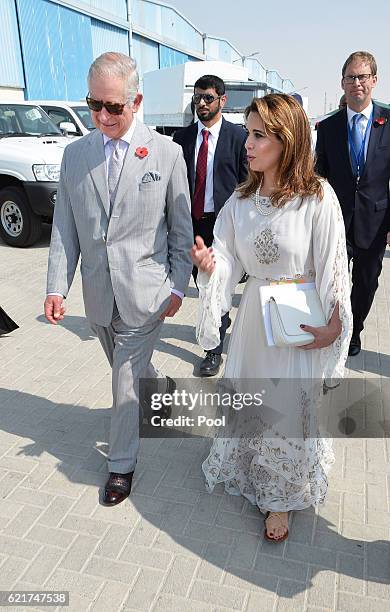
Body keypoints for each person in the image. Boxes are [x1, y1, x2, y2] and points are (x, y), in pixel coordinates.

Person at [191, 94, 352, 542]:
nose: (249, 143)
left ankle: (279, 497)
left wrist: (335, 324)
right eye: (249, 132)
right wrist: (212, 266)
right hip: (253, 325)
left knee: (287, 409)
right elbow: (226, 256)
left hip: (296, 320)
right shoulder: (241, 201)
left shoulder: (316, 198)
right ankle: (253, 469)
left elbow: (335, 266)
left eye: (260, 135)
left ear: (287, 140)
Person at [45, 52, 193, 506]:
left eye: (113, 107)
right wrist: (56, 286)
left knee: (123, 380)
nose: (103, 116)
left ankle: (121, 465)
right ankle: (163, 390)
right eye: (95, 105)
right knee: (126, 369)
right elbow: (64, 228)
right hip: (98, 294)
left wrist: (176, 285)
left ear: (137, 101)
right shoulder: (75, 156)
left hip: (147, 292)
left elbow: (181, 227)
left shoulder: (167, 154)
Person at [316, 51, 390, 356]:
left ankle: (355, 328)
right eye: (351, 77)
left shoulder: (388, 121)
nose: (356, 82)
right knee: (332, 282)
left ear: (374, 80)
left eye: (362, 76)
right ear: (342, 82)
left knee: (366, 284)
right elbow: (319, 177)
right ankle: (335, 327)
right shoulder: (328, 127)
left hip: (375, 223)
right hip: (336, 221)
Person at [173, 75, 247, 376]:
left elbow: (247, 185)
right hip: (192, 226)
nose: (201, 103)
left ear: (222, 100)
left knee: (215, 288)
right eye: (197, 97)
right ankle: (214, 331)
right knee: (203, 288)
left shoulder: (238, 138)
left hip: (223, 227)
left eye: (208, 98)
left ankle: (213, 349)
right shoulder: (182, 138)